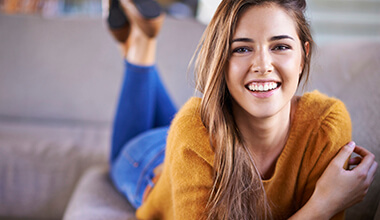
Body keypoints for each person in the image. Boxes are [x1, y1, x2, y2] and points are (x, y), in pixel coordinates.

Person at [107, 0, 378, 219]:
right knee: (119, 156)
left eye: (281, 46)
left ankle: (138, 39)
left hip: (195, 138)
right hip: (150, 164)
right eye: (242, 49)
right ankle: (143, 45)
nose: (262, 65)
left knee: (184, 124)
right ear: (221, 60)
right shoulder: (192, 128)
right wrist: (323, 204)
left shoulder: (326, 124)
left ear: (303, 56)